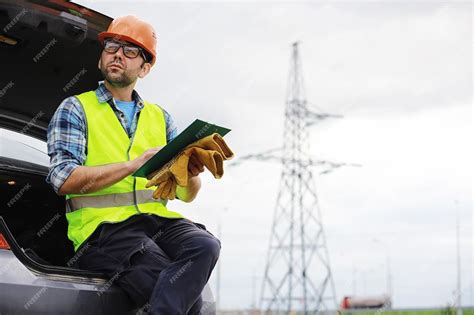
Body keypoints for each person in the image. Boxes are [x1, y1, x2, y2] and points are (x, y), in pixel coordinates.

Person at [46, 15, 220, 314]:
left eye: (130, 51)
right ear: (102, 56)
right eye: (112, 46)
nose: (117, 54)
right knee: (183, 295)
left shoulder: (160, 118)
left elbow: (187, 195)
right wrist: (134, 164)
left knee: (206, 246)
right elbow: (63, 180)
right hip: (102, 231)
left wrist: (190, 173)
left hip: (156, 223)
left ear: (145, 67)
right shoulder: (76, 108)